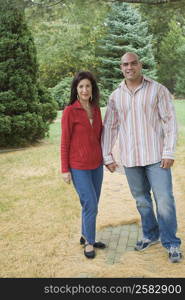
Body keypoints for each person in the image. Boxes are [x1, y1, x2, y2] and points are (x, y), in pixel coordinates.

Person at [101, 52, 182, 263]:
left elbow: (170, 122)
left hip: (156, 156)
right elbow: (110, 126)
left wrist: (168, 151)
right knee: (142, 201)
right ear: (121, 68)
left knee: (164, 200)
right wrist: (107, 155)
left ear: (140, 65)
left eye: (133, 63)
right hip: (130, 159)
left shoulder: (157, 89)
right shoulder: (115, 96)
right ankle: (150, 234)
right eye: (125, 64)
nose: (129, 67)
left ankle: (171, 243)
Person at [61, 71, 106, 259]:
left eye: (88, 86)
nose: (85, 89)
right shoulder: (70, 111)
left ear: (92, 88)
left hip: (97, 165)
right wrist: (65, 169)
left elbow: (100, 137)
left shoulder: (95, 109)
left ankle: (85, 234)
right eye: (81, 86)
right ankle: (89, 242)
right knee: (90, 204)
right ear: (76, 90)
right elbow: (65, 142)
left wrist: (107, 158)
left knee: (91, 203)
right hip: (78, 167)